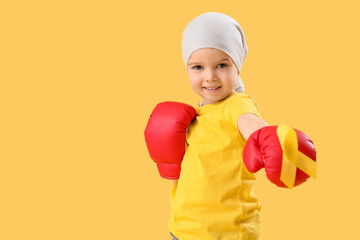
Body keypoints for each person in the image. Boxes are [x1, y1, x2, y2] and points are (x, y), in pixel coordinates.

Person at [167, 12, 269, 240]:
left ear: (238, 66)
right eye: (198, 67)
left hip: (228, 232)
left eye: (222, 65)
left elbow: (249, 121)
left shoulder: (236, 103)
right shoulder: (193, 115)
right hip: (184, 229)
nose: (210, 76)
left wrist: (264, 137)